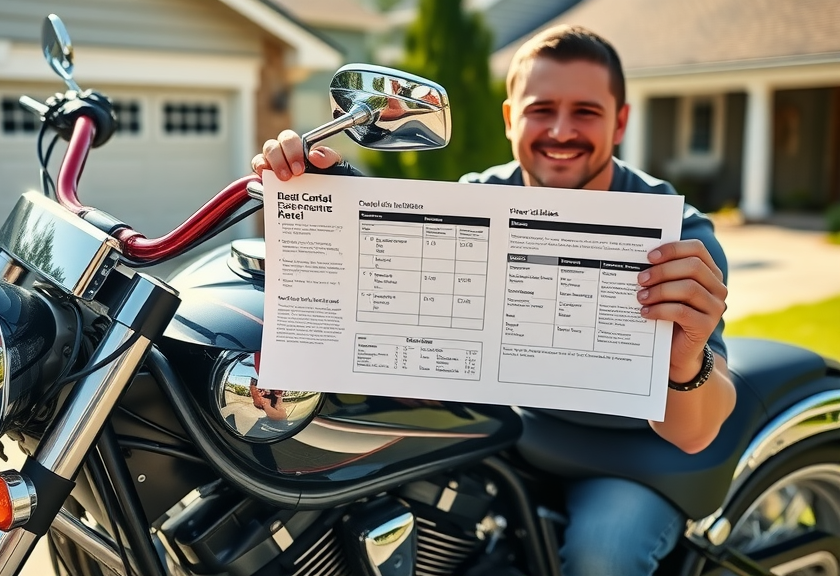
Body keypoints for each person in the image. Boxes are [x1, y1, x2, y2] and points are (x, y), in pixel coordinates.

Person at [251, 24, 735, 576]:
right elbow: (388, 261)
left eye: (586, 112)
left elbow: (696, 431)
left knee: (604, 558)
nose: (559, 130)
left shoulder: (677, 237)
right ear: (509, 118)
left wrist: (684, 354)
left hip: (629, 457)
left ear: (621, 121)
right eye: (540, 109)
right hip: (505, 432)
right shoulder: (479, 201)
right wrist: (317, 189)